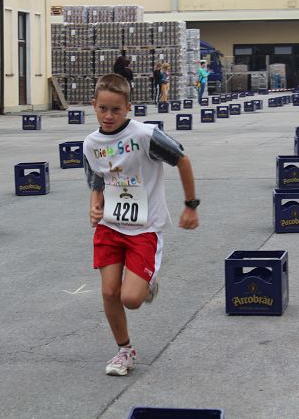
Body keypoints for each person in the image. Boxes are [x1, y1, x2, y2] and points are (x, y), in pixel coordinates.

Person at [83, 73, 200, 376]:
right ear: (94, 105)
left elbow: (182, 160)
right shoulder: (91, 143)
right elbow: (98, 177)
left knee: (131, 299)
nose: (109, 116)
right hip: (110, 225)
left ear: (128, 108)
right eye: (103, 109)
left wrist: (190, 205)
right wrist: (95, 204)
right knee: (109, 292)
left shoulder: (146, 136)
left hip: (144, 228)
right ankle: (124, 351)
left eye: (116, 110)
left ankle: (146, 283)